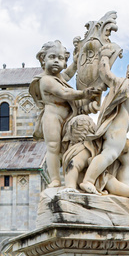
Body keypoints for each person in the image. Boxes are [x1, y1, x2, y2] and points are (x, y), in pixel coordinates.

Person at [79, 61, 129, 199]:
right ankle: (88, 180)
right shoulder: (125, 85)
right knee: (110, 154)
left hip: (122, 132)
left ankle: (125, 183)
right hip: (115, 129)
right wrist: (104, 58)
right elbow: (105, 74)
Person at [30, 40, 99, 188]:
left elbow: (67, 75)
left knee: (67, 147)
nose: (56, 61)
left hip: (67, 117)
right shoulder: (46, 80)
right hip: (52, 117)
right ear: (43, 59)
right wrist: (85, 93)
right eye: (52, 57)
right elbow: (65, 92)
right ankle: (55, 179)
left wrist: (75, 63)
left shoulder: (58, 77)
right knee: (53, 147)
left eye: (61, 58)